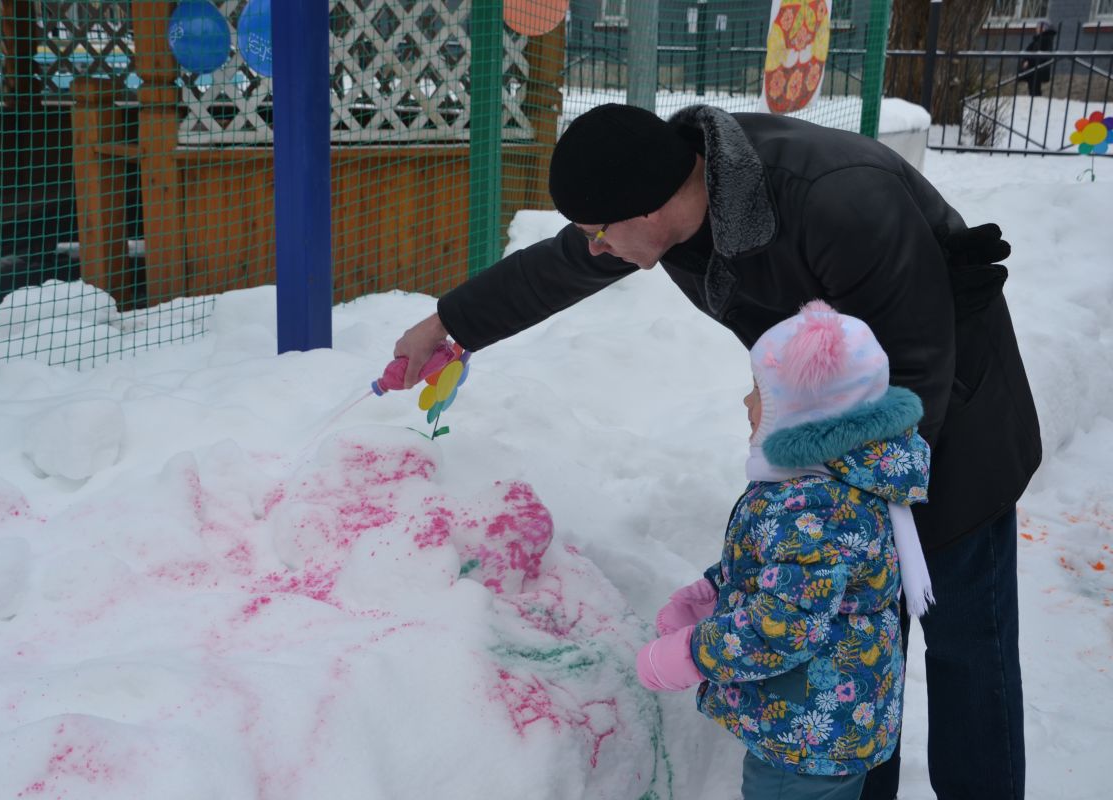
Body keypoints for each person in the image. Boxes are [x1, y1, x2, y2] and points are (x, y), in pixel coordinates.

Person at [390, 103, 1041, 800]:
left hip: (951, 420)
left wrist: (835, 504)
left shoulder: (838, 199)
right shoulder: (670, 191)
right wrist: (449, 322)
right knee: (854, 650)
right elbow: (563, 263)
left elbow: (916, 362)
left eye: (599, 232)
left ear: (648, 207)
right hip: (826, 444)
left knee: (965, 644)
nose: (595, 247)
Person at [637, 299, 933, 800]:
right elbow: (789, 571)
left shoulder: (813, 505)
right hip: (823, 721)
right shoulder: (835, 483)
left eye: (760, 393)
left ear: (800, 416)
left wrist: (692, 654)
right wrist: (715, 590)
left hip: (806, 736)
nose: (746, 402)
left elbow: (783, 627)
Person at [1018, 21, 1057, 97]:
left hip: (1037, 68)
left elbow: (1040, 55)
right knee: (1033, 87)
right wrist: (1026, 60)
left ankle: (1035, 99)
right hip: (1034, 67)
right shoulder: (1038, 39)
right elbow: (1029, 52)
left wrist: (1029, 61)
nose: (1037, 29)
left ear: (1044, 29)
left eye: (1039, 27)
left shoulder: (1044, 39)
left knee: (1035, 89)